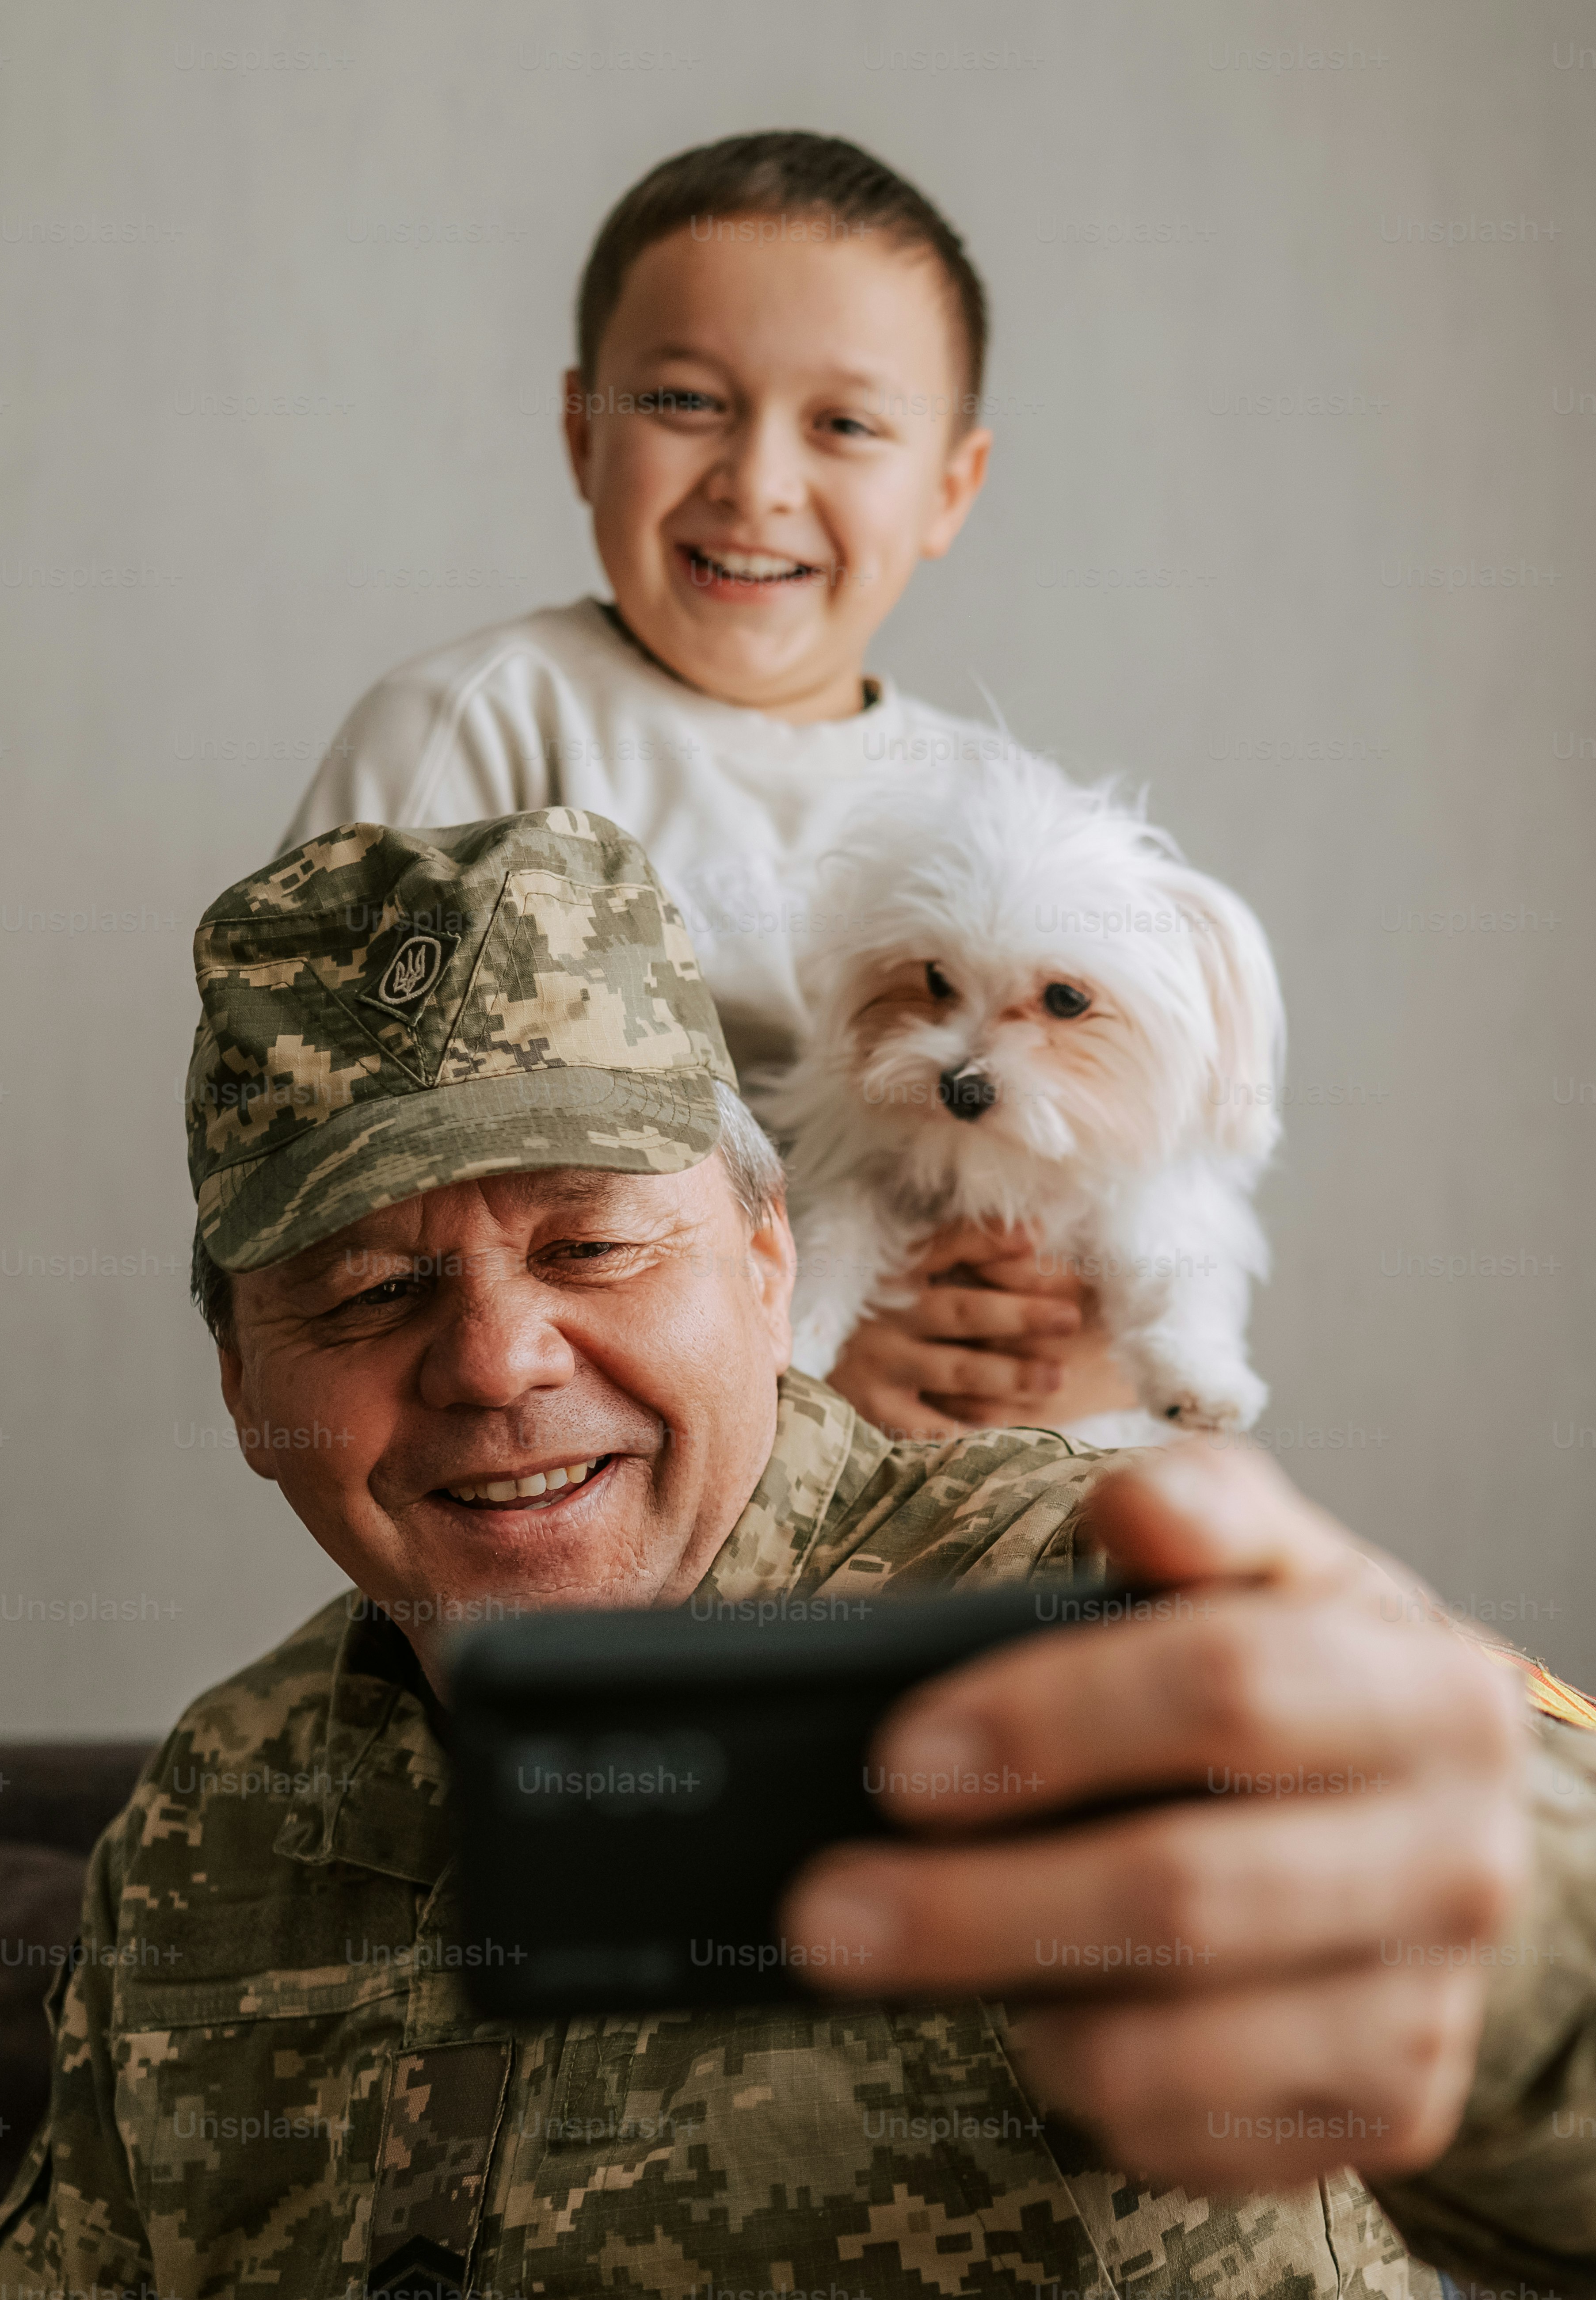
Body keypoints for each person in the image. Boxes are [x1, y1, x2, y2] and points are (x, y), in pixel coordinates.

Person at [0, 809, 1596, 2299]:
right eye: (369, 1286)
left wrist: (1542, 1937)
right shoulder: (219, 1803)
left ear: (761, 1258)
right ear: (240, 1376)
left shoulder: (1101, 1593)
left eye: (590, 1244)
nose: (493, 1360)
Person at [280, 130, 1138, 1446]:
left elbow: (1128, 1129)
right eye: (686, 402)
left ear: (949, 486)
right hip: (606, 1476)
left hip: (985, 1474)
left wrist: (1072, 1352)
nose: (759, 483)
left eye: (845, 424)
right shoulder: (482, 728)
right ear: (582, 431)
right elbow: (334, 1189)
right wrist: (784, 1374)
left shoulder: (1001, 806)